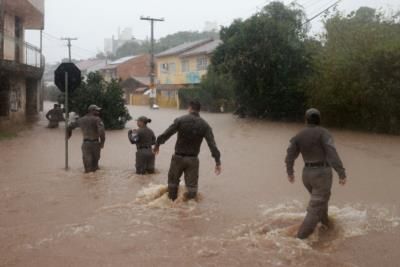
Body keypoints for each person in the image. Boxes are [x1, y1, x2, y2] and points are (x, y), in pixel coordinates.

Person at [285, 108, 347, 239]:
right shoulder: (324, 133)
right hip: (321, 174)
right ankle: (299, 239)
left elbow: (289, 156)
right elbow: (332, 154)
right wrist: (341, 173)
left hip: (306, 174)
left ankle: (326, 226)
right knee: (316, 206)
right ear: (319, 119)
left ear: (306, 119)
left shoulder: (299, 135)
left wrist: (290, 172)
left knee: (320, 202)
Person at [154, 100, 222, 201]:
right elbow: (212, 145)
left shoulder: (180, 120)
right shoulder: (205, 125)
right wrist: (217, 161)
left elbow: (167, 134)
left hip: (178, 158)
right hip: (193, 160)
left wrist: (157, 144)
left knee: (172, 186)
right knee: (192, 190)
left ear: (189, 108)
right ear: (199, 110)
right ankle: (188, 211)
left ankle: (172, 207)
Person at [68, 104, 106, 173]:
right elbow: (101, 132)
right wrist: (102, 143)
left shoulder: (81, 120)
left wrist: (69, 135)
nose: (98, 112)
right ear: (92, 111)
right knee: (95, 167)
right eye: (97, 110)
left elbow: (69, 126)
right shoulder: (97, 119)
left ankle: (88, 181)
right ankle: (94, 182)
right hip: (95, 144)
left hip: (85, 144)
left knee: (87, 167)